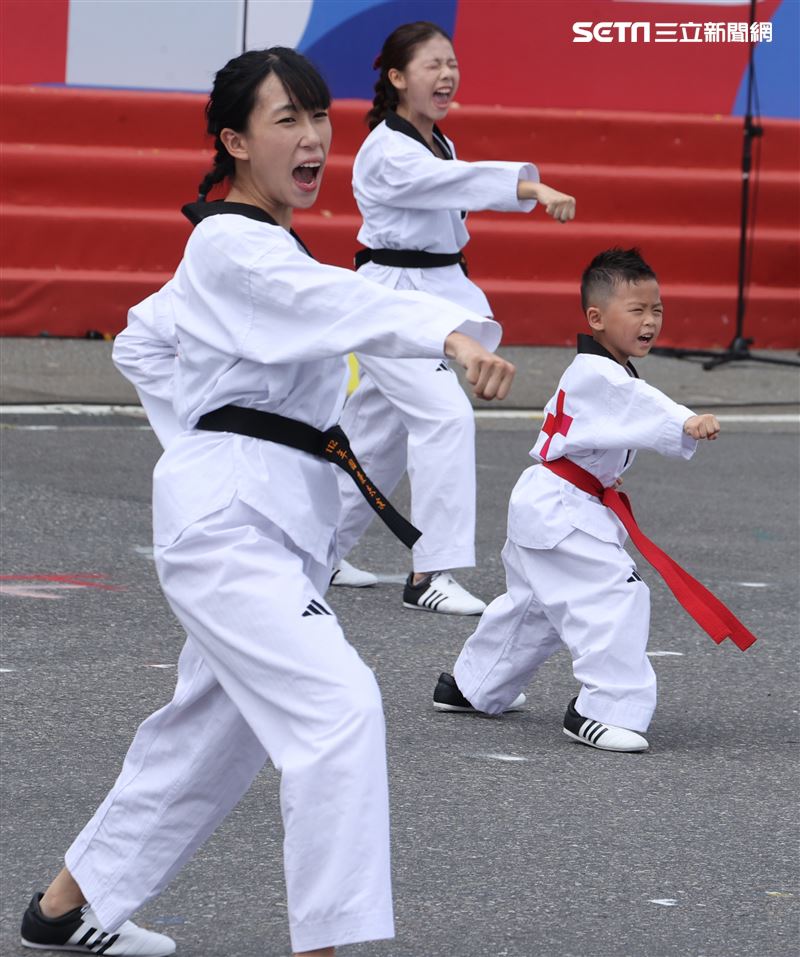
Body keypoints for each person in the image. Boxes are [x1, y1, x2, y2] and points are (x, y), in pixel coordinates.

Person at [20, 48, 515, 957]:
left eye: (319, 117)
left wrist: (207, 432)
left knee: (208, 732)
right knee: (339, 708)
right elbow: (322, 299)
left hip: (264, 519)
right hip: (233, 530)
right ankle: (329, 945)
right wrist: (440, 330)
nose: (313, 136)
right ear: (234, 140)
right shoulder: (231, 244)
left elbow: (141, 342)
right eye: (286, 118)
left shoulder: (242, 247)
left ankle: (65, 908)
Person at [432, 247, 724, 752]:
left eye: (656, 309)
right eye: (636, 310)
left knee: (534, 607)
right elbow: (642, 407)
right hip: (562, 508)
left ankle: (472, 685)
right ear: (596, 317)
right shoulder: (601, 373)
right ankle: (603, 709)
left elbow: (611, 424)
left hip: (550, 502)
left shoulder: (602, 369)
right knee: (616, 595)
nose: (650, 320)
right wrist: (685, 421)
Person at [330, 20, 576, 614]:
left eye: (452, 64)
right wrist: (530, 188)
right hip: (394, 296)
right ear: (396, 78)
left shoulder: (435, 140)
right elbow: (448, 184)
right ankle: (429, 572)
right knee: (444, 418)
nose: (447, 76)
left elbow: (449, 180)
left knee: (377, 437)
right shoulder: (389, 150)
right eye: (432, 65)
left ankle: (315, 546)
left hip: (432, 289)